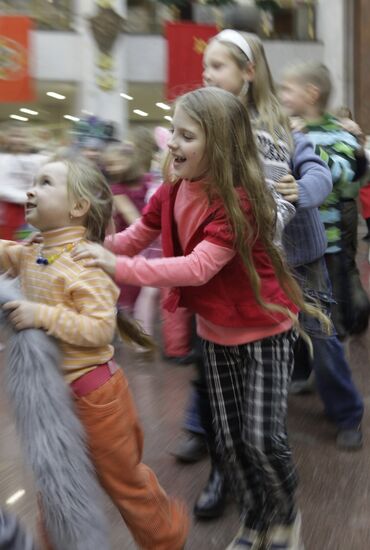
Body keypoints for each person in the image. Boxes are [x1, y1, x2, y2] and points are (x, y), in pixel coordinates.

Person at [73, 87, 330, 550]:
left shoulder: (240, 201)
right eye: (173, 130)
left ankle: (285, 516)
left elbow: (196, 268)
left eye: (186, 135)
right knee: (229, 443)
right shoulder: (173, 188)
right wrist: (91, 250)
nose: (171, 142)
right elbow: (136, 236)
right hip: (215, 334)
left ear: (222, 145)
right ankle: (254, 521)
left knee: (261, 438)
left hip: (264, 332)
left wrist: (113, 266)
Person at [0, 154, 188, 550]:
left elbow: (100, 329)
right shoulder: (32, 250)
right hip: (52, 402)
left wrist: (41, 314)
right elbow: (6, 252)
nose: (32, 189)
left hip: (95, 398)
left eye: (46, 183)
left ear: (78, 207)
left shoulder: (85, 263)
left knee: (125, 483)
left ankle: (167, 539)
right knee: (56, 485)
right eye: (33, 181)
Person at [279, 61, 364, 439]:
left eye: (287, 90)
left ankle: (347, 414)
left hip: (324, 249)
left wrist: (306, 150)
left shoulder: (336, 135)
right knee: (295, 323)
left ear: (311, 94)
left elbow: (344, 178)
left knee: (324, 332)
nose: (282, 97)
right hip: (289, 247)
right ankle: (302, 373)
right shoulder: (285, 131)